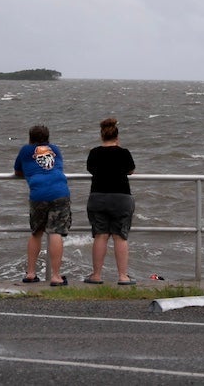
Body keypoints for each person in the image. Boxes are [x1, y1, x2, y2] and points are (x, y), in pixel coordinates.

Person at [11, 123, 71, 285]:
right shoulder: (55, 149)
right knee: (56, 232)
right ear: (48, 138)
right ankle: (56, 276)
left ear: (30, 138)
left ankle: (30, 273)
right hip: (60, 191)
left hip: (38, 193)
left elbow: (18, 171)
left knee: (36, 232)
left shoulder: (25, 150)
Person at [84, 115, 137, 285]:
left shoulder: (94, 153)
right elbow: (131, 171)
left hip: (98, 196)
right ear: (117, 136)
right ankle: (123, 276)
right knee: (120, 236)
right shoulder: (124, 153)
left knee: (100, 236)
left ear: (102, 135)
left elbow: (91, 170)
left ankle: (97, 275)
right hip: (121, 197)